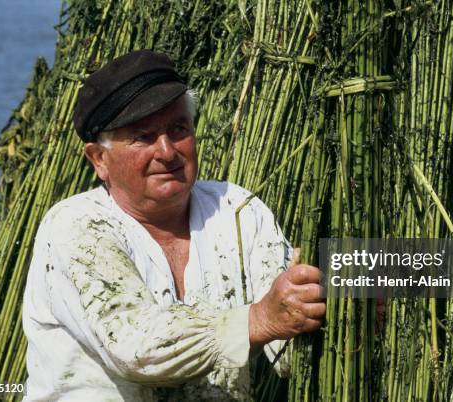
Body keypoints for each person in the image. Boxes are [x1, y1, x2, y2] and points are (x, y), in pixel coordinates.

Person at [22, 50, 326, 401]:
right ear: (99, 159)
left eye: (178, 129)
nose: (167, 152)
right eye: (143, 136)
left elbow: (283, 336)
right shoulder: (75, 227)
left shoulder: (238, 209)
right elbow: (135, 347)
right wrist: (256, 321)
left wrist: (331, 299)